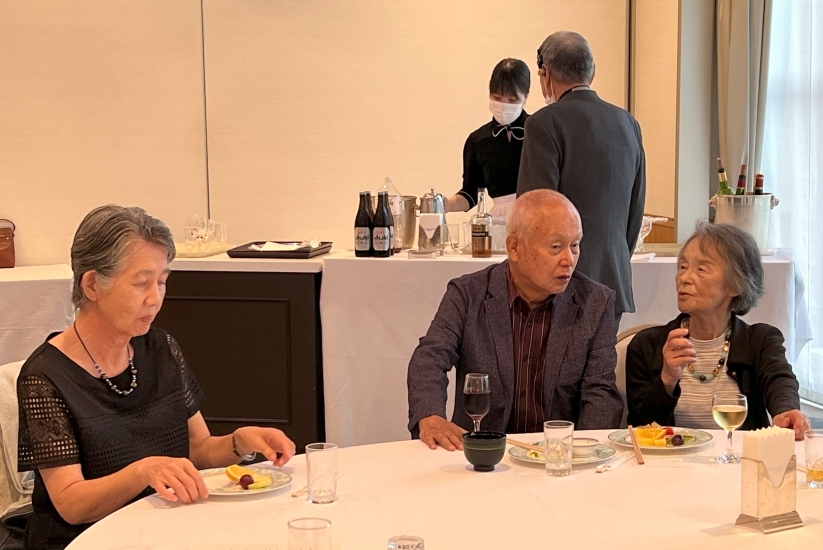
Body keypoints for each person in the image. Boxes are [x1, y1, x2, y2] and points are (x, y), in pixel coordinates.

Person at [16, 206, 297, 549]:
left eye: (162, 282)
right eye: (141, 283)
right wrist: (142, 471)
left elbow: (198, 449)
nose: (155, 298)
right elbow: (71, 503)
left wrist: (240, 442)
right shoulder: (45, 377)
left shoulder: (161, 348)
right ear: (92, 285)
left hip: (163, 531)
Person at [407, 190, 623, 450]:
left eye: (575, 245)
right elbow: (430, 358)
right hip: (482, 451)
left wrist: (583, 451)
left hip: (558, 452)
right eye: (556, 247)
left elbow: (600, 392)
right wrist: (430, 416)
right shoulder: (468, 294)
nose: (569, 260)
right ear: (515, 248)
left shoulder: (595, 303)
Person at [625, 223, 809, 440]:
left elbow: (779, 380)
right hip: (669, 460)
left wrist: (786, 411)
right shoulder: (647, 345)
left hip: (740, 458)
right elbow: (639, 429)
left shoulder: (760, 341)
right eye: (683, 267)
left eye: (701, 269)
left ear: (736, 285)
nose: (684, 278)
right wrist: (667, 379)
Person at [516, 31, 646, 329]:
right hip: (612, 278)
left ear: (545, 75)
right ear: (592, 71)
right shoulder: (628, 123)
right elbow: (635, 209)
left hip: (558, 282)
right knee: (601, 359)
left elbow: (534, 209)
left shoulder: (544, 122)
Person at [444, 58, 530, 223]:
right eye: (497, 97)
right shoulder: (478, 140)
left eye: (512, 100)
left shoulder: (539, 132)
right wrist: (446, 204)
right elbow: (471, 193)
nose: (504, 105)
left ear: (525, 96)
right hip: (499, 221)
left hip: (536, 214)